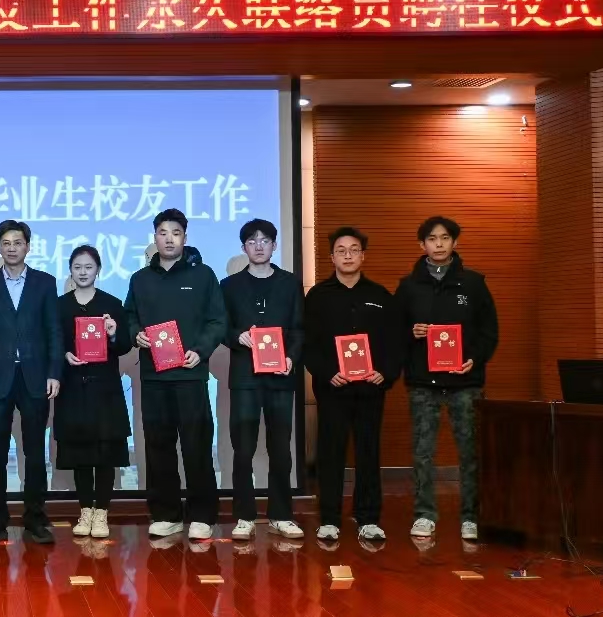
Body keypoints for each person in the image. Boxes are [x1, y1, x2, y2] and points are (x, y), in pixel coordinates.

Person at [124, 208, 226, 541]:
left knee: (197, 447)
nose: (169, 239)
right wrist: (136, 333)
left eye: (176, 233)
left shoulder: (203, 275)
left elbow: (218, 320)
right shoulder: (140, 279)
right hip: (154, 377)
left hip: (190, 375)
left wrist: (201, 350)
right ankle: (166, 513)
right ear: (155, 237)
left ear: (185, 237)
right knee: (158, 447)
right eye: (163, 233)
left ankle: (202, 515)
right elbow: (129, 316)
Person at [395, 216, 498, 541]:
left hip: (464, 382)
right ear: (421, 244)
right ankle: (424, 514)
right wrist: (410, 332)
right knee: (423, 452)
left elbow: (489, 331)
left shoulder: (473, 284)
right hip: (422, 382)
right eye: (431, 239)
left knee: (470, 452)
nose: (438, 244)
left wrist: (474, 360)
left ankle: (471, 516)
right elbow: (393, 332)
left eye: (444, 238)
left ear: (455, 242)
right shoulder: (408, 286)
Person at [303, 227, 404, 543]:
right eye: (341, 250)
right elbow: (308, 343)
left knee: (368, 452)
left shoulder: (380, 296)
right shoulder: (318, 296)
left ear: (363, 256)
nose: (347, 255)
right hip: (333, 388)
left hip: (370, 389)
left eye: (354, 250)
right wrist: (327, 372)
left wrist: (385, 373)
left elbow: (395, 342)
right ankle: (329, 519)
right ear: (332, 257)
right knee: (330, 453)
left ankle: (368, 517)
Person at [0, 220, 64, 546]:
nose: (12, 248)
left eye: (18, 242)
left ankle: (36, 520)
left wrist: (54, 372)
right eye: (6, 243)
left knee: (35, 454)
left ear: (28, 246)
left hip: (35, 377)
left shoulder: (44, 283)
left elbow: (54, 331)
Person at [219, 219, 304, 542]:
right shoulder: (229, 286)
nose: (258, 246)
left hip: (280, 377)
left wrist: (291, 358)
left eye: (265, 240)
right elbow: (221, 327)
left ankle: (281, 514)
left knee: (280, 448)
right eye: (252, 241)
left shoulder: (290, 283)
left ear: (274, 245)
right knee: (243, 449)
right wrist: (237, 337)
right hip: (245, 378)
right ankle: (245, 516)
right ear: (244, 247)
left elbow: (299, 328)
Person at [56, 245, 133, 540]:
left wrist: (113, 333)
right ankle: (85, 510)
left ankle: (101, 511)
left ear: (98, 270)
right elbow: (52, 342)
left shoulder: (111, 303)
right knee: (80, 453)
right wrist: (64, 355)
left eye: (88, 267)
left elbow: (124, 345)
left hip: (105, 389)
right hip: (73, 389)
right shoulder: (60, 306)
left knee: (104, 453)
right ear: (70, 271)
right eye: (77, 267)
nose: (83, 272)